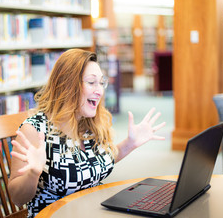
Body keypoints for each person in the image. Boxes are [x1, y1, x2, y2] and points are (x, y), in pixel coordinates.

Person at [8, 49, 166, 218]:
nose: (100, 91)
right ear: (67, 85)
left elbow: (98, 161)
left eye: (101, 83)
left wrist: (130, 143)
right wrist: (33, 173)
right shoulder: (35, 129)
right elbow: (17, 198)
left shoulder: (89, 121)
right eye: (91, 82)